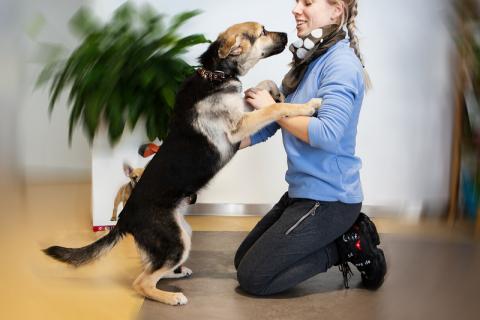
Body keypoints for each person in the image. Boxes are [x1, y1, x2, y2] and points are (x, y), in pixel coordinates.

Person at [234, 0, 386, 296]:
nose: (295, 9)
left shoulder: (341, 64)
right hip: (301, 194)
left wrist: (275, 107)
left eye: (307, 2)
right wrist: (227, 142)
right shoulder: (309, 61)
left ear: (336, 10)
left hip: (330, 199)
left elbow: (327, 133)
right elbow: (273, 123)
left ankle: (346, 246)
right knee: (243, 260)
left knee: (254, 278)